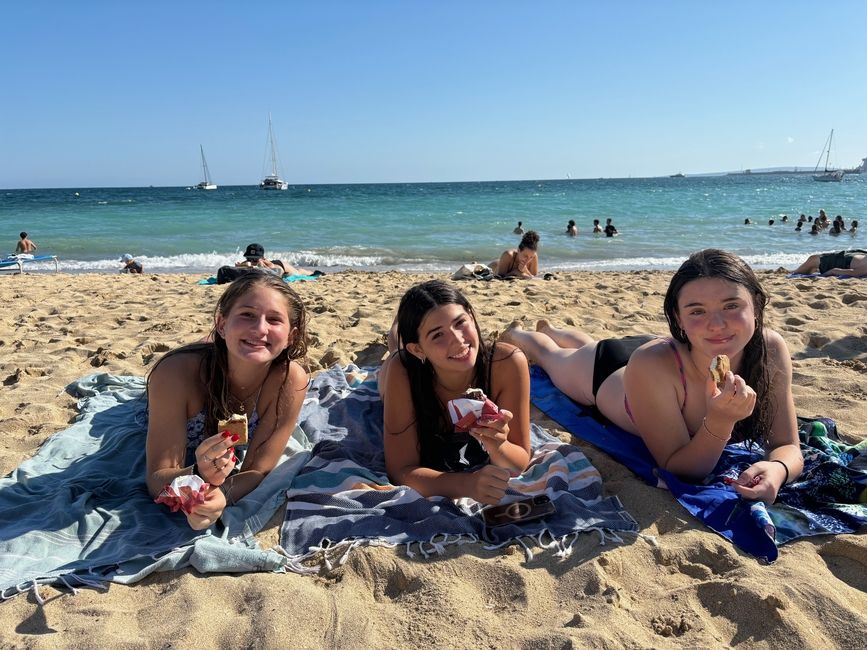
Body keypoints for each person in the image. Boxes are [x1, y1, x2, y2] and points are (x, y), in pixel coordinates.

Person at [501, 249, 803, 503]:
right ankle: (521, 333)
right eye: (697, 311)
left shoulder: (769, 349)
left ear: (756, 306)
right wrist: (720, 421)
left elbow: (788, 445)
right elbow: (678, 468)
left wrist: (777, 469)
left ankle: (553, 329)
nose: (717, 324)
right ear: (679, 319)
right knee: (553, 357)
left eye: (731, 306)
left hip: (660, 353)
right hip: (605, 372)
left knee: (586, 345)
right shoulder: (651, 365)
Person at [146, 272, 309, 529]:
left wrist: (220, 496)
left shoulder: (289, 381)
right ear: (221, 324)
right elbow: (157, 478)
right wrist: (198, 476)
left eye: (274, 319)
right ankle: (211, 342)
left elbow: (258, 469)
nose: (260, 329)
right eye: (247, 315)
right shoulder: (174, 375)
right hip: (187, 375)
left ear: (291, 336)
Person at [379, 280, 531, 504]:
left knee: (402, 345)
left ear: (471, 315)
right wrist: (467, 484)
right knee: (395, 352)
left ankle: (407, 328)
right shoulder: (404, 372)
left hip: (422, 356)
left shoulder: (506, 363)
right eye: (437, 334)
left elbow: (519, 461)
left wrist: (499, 445)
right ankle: (398, 329)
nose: (458, 341)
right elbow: (400, 470)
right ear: (418, 349)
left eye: (460, 322)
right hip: (401, 372)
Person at [791, 249, 867, 277]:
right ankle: (804, 270)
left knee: (813, 259)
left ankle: (796, 273)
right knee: (814, 260)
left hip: (840, 261)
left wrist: (824, 275)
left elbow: (852, 272)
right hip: (850, 255)